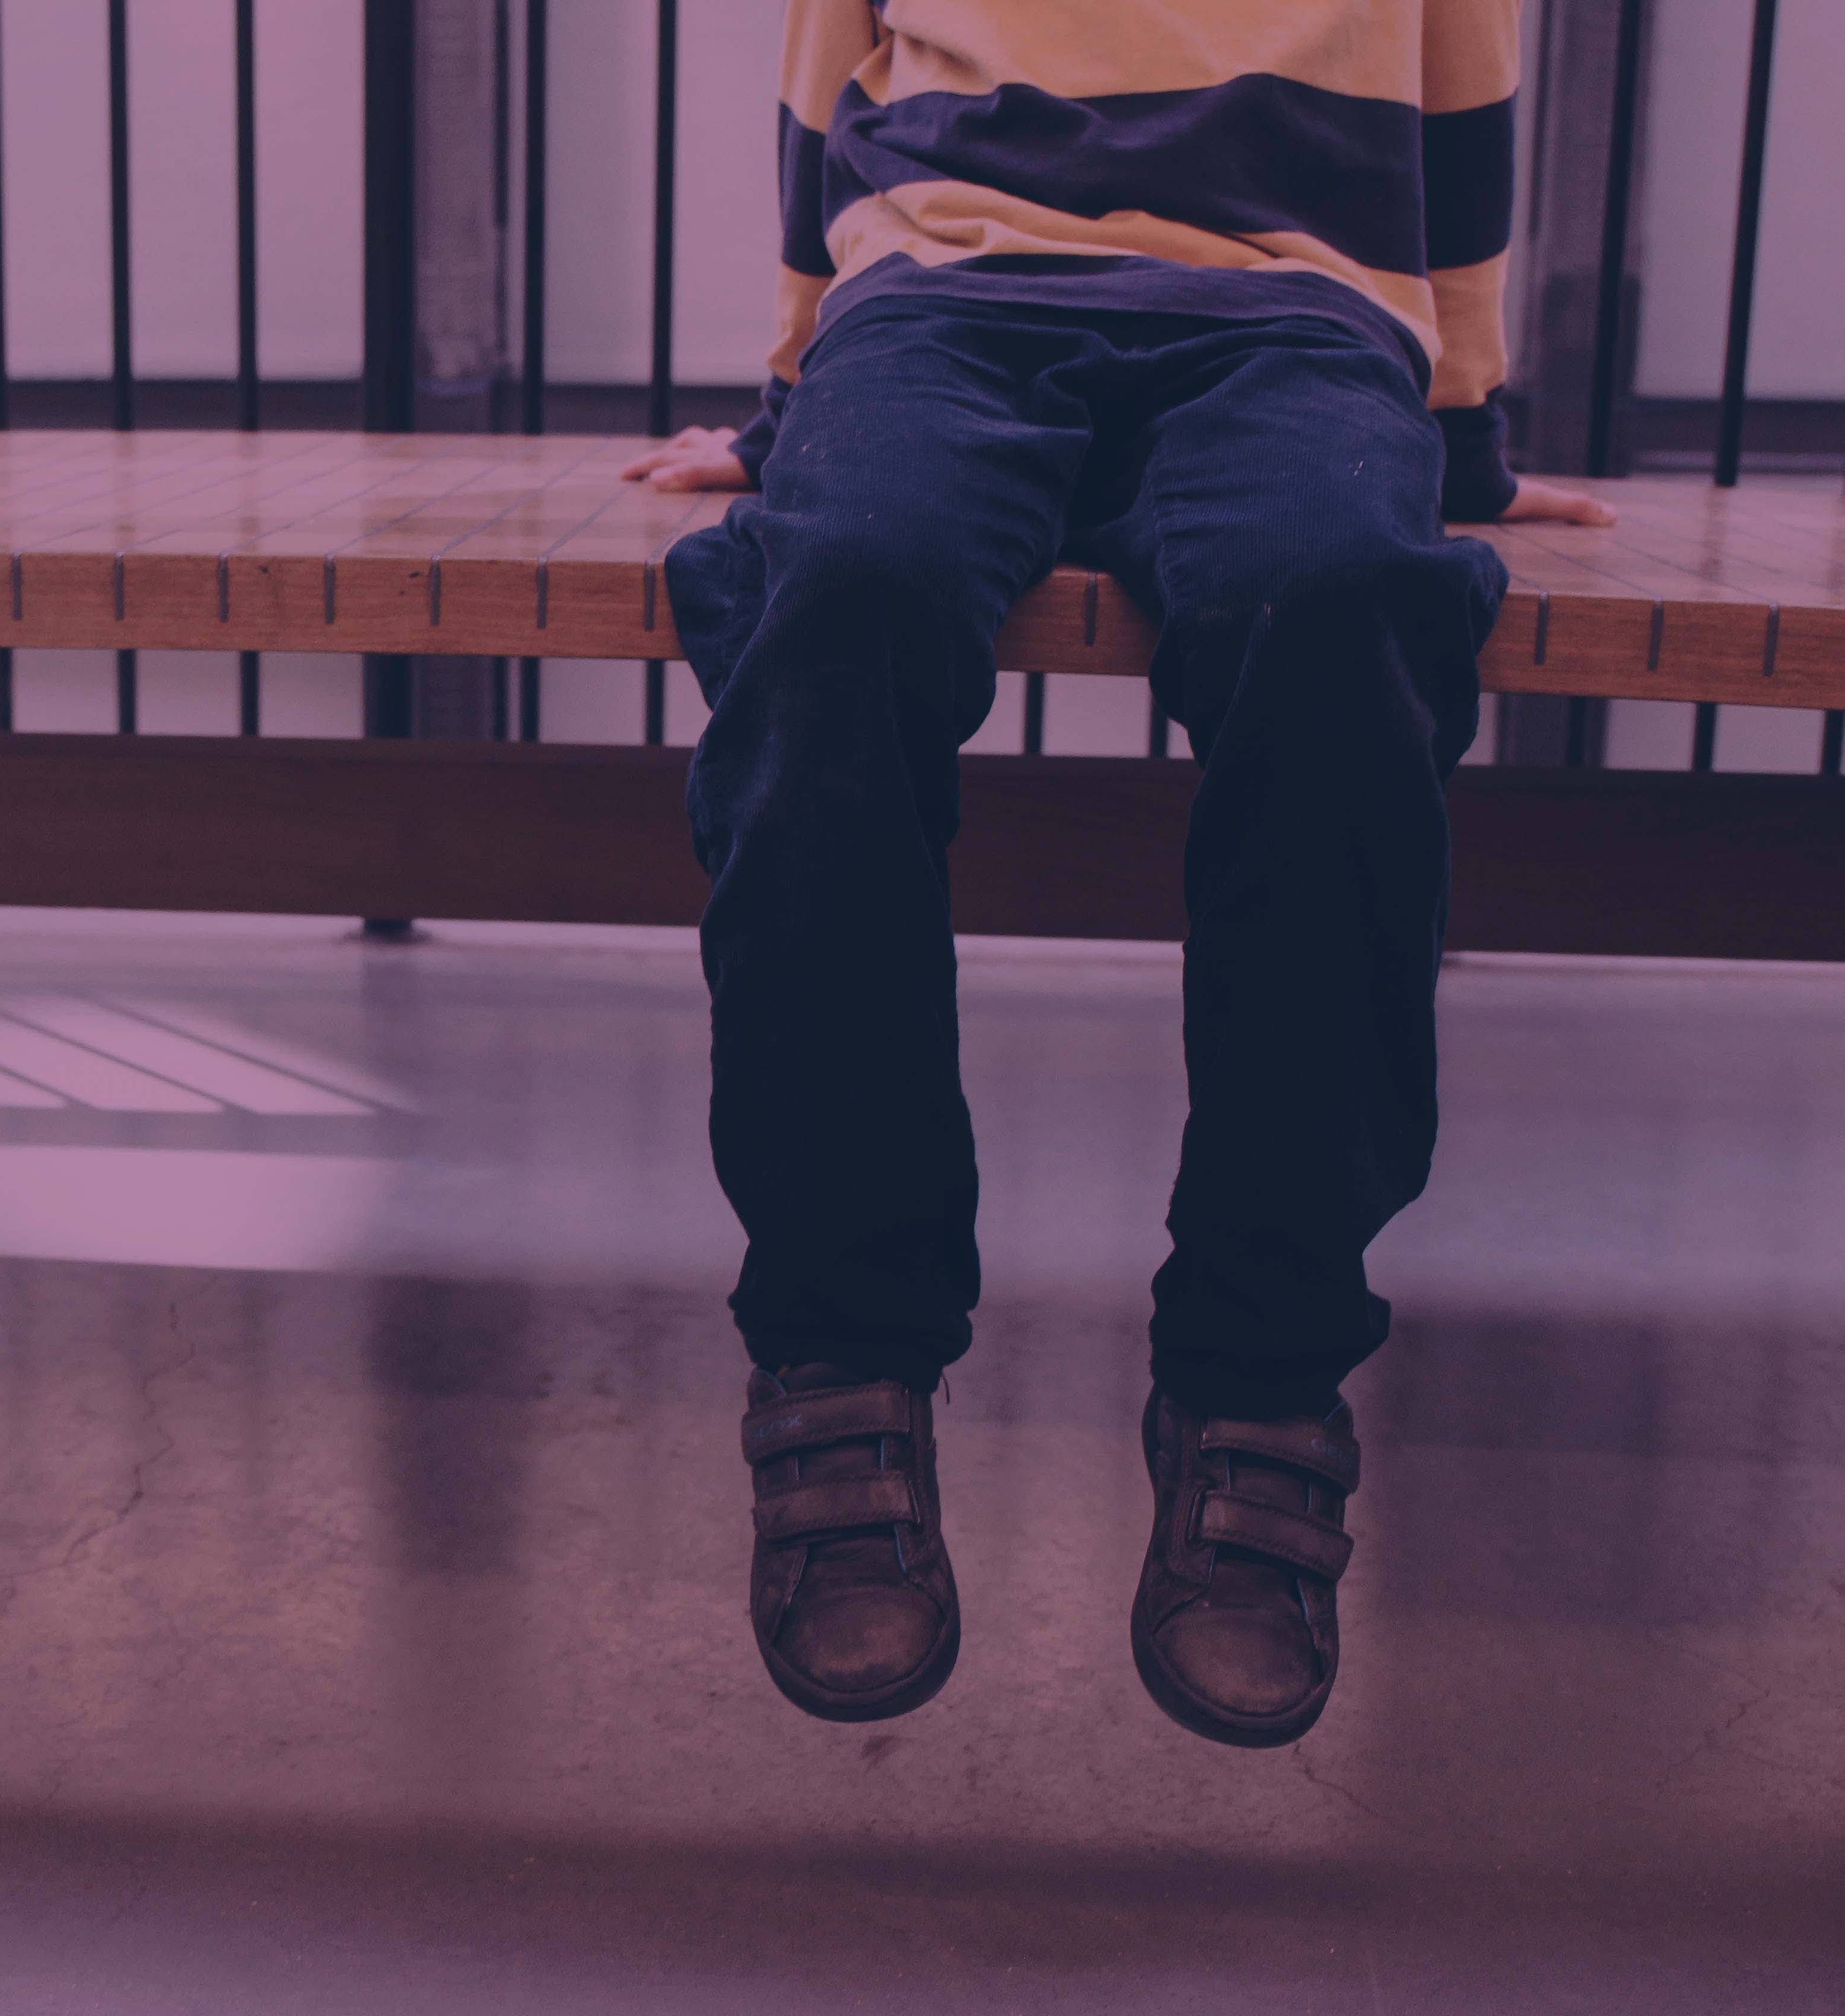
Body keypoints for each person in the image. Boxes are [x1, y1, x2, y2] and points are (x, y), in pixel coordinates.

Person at [623, 0, 1612, 1747]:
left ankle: (1258, 1377)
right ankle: (845, 1351)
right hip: (943, 297)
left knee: (1343, 608)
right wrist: (790, 409)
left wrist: (1459, 442)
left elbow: (1462, 109)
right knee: (835, 595)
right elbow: (821, 86)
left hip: (1297, 317)